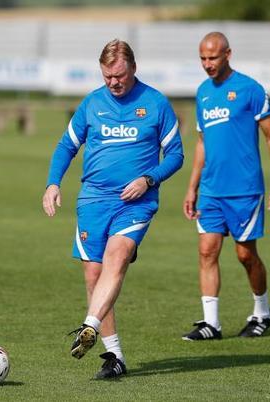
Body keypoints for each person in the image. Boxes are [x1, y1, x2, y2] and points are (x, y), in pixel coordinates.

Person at [42, 39, 184, 378]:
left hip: (135, 202)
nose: (113, 83)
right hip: (92, 200)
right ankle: (115, 356)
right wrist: (53, 182)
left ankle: (88, 325)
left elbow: (176, 155)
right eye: (107, 77)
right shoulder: (92, 103)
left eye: (119, 75)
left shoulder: (155, 103)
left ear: (133, 68)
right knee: (94, 275)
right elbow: (67, 146)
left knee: (117, 257)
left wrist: (149, 179)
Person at [182, 32, 270, 341]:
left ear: (228, 54)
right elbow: (202, 143)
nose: (207, 64)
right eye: (202, 58)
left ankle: (262, 312)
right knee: (206, 251)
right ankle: (210, 324)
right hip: (211, 191)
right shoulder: (202, 92)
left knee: (245, 255)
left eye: (212, 57)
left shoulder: (250, 89)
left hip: (244, 190)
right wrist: (192, 187)